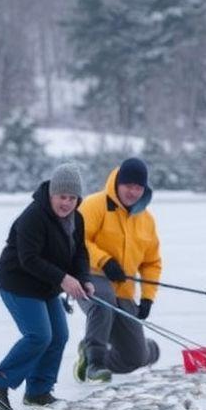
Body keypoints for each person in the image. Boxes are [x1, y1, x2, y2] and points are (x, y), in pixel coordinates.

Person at [0, 164, 93, 410]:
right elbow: (29, 259)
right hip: (18, 283)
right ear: (51, 194)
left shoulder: (77, 219)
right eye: (61, 196)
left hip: (46, 285)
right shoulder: (34, 216)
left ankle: (39, 392)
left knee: (59, 336)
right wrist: (64, 279)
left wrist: (83, 278)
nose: (66, 203)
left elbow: (80, 253)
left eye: (72, 198)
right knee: (39, 335)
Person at [74, 157, 161, 382]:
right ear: (117, 183)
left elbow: (152, 262)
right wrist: (105, 261)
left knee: (134, 357)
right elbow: (77, 240)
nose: (133, 192)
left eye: (138, 187)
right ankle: (95, 362)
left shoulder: (147, 220)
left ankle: (148, 350)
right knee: (103, 299)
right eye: (128, 185)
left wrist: (148, 298)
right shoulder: (94, 205)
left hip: (124, 290)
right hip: (90, 276)